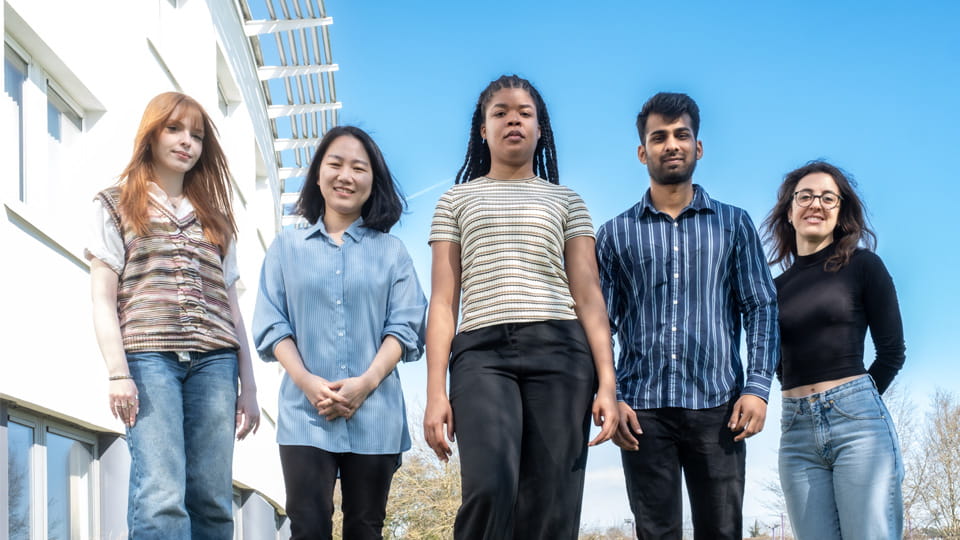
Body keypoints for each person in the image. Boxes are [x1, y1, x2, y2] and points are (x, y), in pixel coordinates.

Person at [422, 74, 618, 540]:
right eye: (500, 113)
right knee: (489, 486)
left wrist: (607, 383)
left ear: (540, 129)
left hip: (561, 353)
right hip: (482, 355)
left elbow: (589, 296)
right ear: (483, 130)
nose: (513, 120)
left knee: (552, 501)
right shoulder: (455, 201)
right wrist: (435, 393)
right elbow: (444, 302)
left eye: (524, 113)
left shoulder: (567, 201)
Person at [595, 92, 780, 540]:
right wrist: (610, 396)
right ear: (643, 152)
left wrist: (757, 389)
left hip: (719, 408)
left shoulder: (733, 224)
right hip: (641, 411)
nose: (671, 145)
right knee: (655, 533)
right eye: (659, 137)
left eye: (682, 135)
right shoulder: (615, 234)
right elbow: (599, 324)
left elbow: (761, 305)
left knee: (722, 532)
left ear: (699, 147)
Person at [87, 92, 260, 539]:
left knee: (214, 499)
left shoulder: (216, 219)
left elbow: (231, 306)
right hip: (148, 359)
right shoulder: (115, 203)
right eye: (175, 129)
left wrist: (250, 386)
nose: (187, 142)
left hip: (216, 363)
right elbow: (103, 298)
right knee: (161, 496)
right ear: (152, 133)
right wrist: (116, 373)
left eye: (197, 135)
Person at [252, 126, 427, 540]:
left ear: (373, 181)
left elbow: (404, 327)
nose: (346, 175)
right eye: (335, 163)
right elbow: (273, 323)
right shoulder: (286, 248)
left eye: (358, 167)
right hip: (304, 413)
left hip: (376, 413)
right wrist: (307, 383)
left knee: (366, 530)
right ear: (317, 174)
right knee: (308, 528)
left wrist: (365, 384)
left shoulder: (393, 252)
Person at [762, 161, 906, 539]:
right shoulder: (773, 289)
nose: (816, 204)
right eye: (805, 196)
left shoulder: (864, 267)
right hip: (795, 432)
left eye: (829, 198)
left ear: (840, 212)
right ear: (789, 211)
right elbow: (778, 361)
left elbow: (892, 352)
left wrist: (852, 401)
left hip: (858, 427)